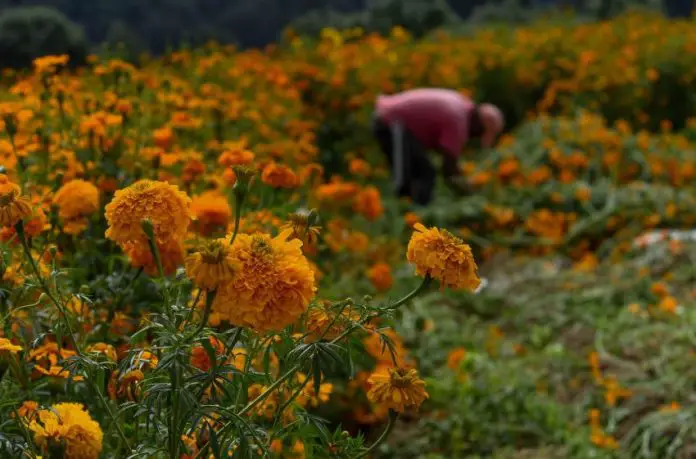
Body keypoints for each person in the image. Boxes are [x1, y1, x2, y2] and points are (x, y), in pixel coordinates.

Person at [372, 88, 505, 205]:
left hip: (395, 119)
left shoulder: (462, 105)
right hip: (391, 121)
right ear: (479, 125)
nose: (474, 138)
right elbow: (449, 170)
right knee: (410, 179)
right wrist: (471, 193)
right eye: (479, 133)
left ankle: (413, 215)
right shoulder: (458, 121)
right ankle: (405, 217)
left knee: (423, 172)